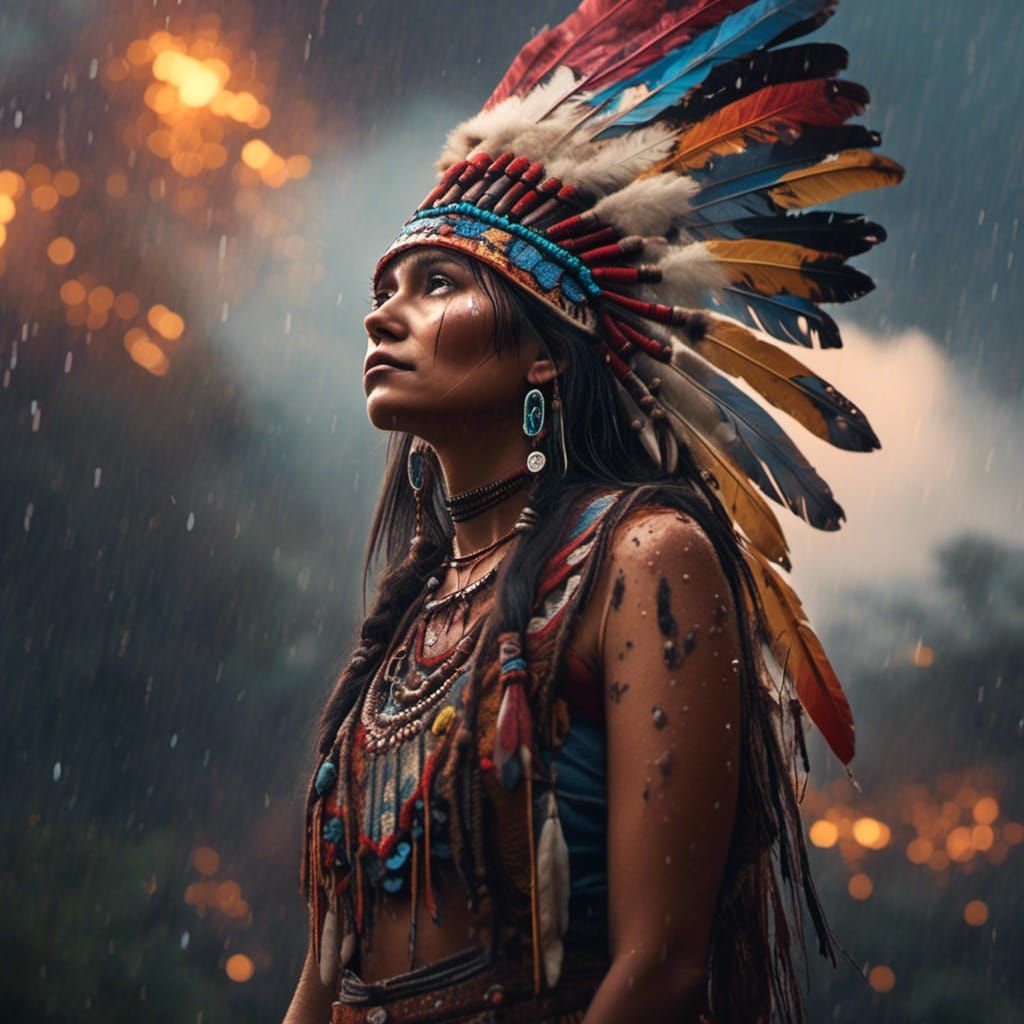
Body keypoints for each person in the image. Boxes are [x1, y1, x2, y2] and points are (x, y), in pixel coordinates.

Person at [285, 2, 901, 1021]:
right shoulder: (406, 620)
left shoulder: (644, 560)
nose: (381, 313)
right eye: (386, 287)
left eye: (435, 284)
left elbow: (660, 965)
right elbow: (321, 985)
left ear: (544, 351)